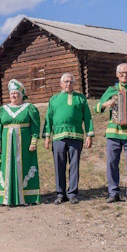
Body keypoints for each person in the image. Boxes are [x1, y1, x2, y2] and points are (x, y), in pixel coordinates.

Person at [43, 73, 94, 204]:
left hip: (76, 136)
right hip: (58, 137)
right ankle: (60, 193)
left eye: (71, 81)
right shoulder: (54, 99)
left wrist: (89, 134)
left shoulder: (81, 98)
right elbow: (48, 118)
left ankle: (72, 193)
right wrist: (47, 137)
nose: (68, 84)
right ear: (61, 84)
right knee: (59, 166)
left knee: (74, 165)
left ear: (74, 84)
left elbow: (87, 117)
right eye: (65, 81)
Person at [95, 63, 127, 205]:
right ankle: (113, 192)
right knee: (111, 163)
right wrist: (105, 104)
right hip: (113, 133)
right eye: (121, 72)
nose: (124, 75)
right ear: (117, 74)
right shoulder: (111, 90)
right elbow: (97, 108)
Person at [0, 80, 40, 206]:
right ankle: (6, 198)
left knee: (24, 165)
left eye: (16, 93)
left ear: (21, 94)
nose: (14, 96)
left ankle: (27, 198)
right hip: (6, 143)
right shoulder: (3, 110)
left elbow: (35, 126)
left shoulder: (29, 108)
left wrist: (33, 141)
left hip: (24, 144)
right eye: (12, 94)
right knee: (6, 167)